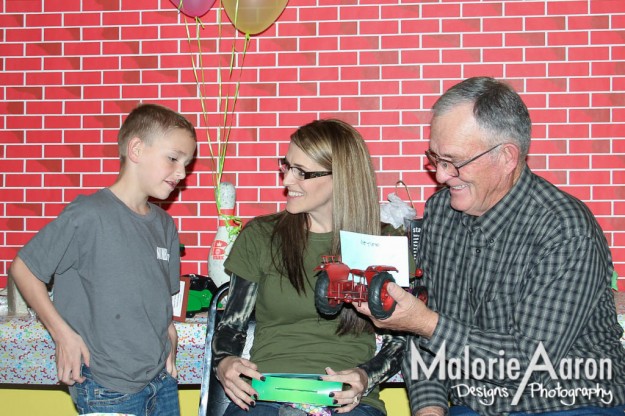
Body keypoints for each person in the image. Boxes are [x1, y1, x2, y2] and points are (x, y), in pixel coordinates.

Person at [355, 77, 625, 415]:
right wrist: (430, 409)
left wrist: (424, 322)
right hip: (475, 405)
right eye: (434, 158)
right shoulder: (440, 213)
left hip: (570, 402)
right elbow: (424, 333)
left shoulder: (564, 227)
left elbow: (529, 362)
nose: (440, 175)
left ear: (507, 157)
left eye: (453, 161)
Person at [8, 103, 197, 416]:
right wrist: (62, 334)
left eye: (186, 164)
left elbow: (160, 296)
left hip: (160, 381)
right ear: (136, 149)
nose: (181, 173)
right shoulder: (88, 214)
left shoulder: (165, 225)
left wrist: (170, 334)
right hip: (107, 385)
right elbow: (24, 269)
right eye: (174, 158)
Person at [212, 119, 406, 416]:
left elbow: (401, 342)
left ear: (340, 178)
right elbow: (231, 324)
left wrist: (365, 377)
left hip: (346, 403)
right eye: (287, 166)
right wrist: (224, 362)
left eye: (301, 172)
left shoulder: (383, 243)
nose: (287, 180)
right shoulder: (262, 235)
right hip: (265, 395)